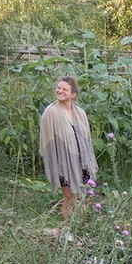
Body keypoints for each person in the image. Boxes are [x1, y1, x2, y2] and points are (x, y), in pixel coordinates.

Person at [39, 76, 98, 221]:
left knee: (86, 195)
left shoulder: (80, 113)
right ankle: (67, 227)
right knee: (69, 196)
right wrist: (55, 164)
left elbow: (87, 140)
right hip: (63, 163)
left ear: (73, 94)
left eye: (64, 89)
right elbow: (47, 141)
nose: (59, 91)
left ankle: (79, 224)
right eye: (58, 88)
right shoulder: (50, 112)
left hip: (82, 161)